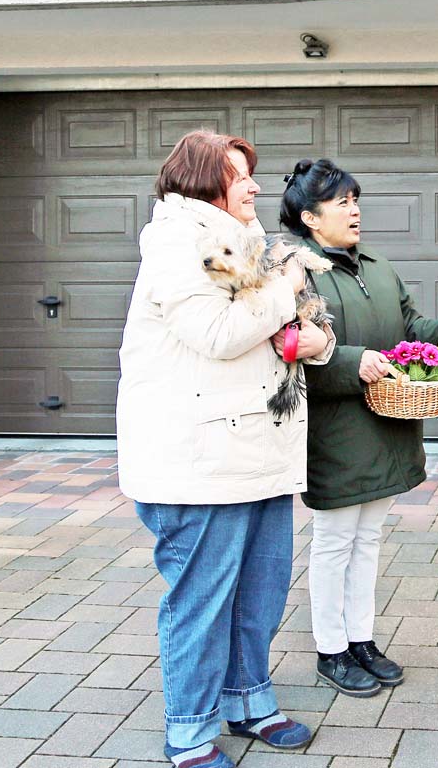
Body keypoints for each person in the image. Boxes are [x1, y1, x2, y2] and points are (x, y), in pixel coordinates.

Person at [117, 131, 334, 768]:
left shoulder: (253, 242)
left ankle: (249, 700)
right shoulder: (174, 243)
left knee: (261, 593)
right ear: (205, 181)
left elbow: (296, 331)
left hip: (258, 454)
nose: (256, 186)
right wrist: (288, 285)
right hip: (197, 461)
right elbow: (216, 333)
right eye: (241, 175)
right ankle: (188, 730)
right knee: (202, 601)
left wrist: (311, 338)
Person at [279, 158, 438, 697]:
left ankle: (361, 639)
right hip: (336, 430)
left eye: (355, 199)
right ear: (309, 217)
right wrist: (353, 362)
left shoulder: (376, 266)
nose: (354, 209)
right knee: (334, 541)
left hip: (388, 425)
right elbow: (293, 349)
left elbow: (410, 324)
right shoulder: (296, 274)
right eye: (341, 202)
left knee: (367, 539)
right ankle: (331, 650)